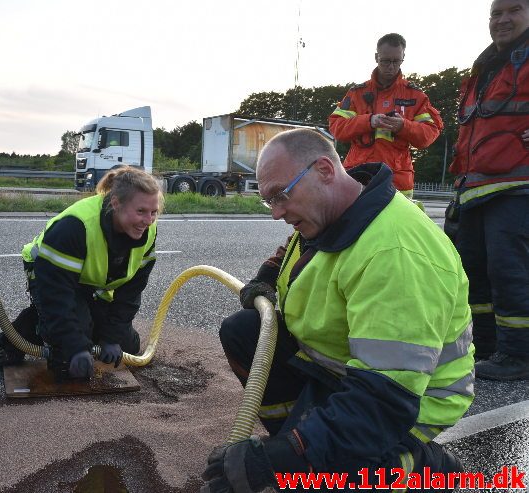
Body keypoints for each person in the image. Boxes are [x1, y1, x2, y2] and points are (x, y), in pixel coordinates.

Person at [201, 129, 473, 493]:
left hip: (409, 401)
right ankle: (306, 438)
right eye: (270, 201)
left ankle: (424, 465)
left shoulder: (395, 254)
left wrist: (282, 459)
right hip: (343, 370)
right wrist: (266, 276)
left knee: (315, 470)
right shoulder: (334, 212)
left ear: (325, 170)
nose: (276, 213)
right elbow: (298, 248)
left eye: (281, 196)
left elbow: (384, 399)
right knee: (243, 330)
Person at [0, 165, 162, 379]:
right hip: (48, 275)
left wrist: (111, 338)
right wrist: (75, 347)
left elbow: (131, 292)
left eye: (153, 212)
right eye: (140, 211)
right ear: (115, 203)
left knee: (128, 345)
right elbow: (56, 295)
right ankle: (17, 339)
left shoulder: (147, 230)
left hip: (88, 281)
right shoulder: (75, 227)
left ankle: (81, 325)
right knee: (67, 363)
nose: (148, 221)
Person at [449, 0, 529, 380]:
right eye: (496, 13)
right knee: (473, 273)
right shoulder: (486, 67)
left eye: (514, 10)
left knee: (509, 270)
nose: (502, 20)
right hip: (476, 186)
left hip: (517, 188)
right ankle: (487, 347)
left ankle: (519, 353)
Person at [329, 33, 444, 198]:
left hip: (397, 180)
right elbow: (336, 128)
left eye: (396, 61)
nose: (391, 66)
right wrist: (369, 121)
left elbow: (429, 134)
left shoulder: (415, 95)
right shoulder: (357, 93)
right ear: (376, 57)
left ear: (403, 57)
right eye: (386, 61)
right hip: (358, 177)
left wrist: (403, 126)